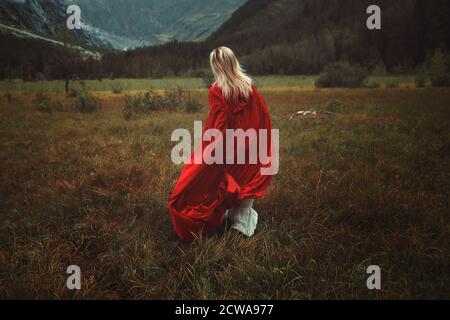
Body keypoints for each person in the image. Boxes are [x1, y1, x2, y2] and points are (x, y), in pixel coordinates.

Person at [168, 47, 273, 242]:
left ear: (216, 66)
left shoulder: (218, 90)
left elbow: (220, 122)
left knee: (220, 179)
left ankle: (228, 223)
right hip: (251, 146)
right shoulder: (249, 87)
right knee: (244, 180)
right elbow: (263, 116)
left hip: (230, 147)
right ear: (234, 62)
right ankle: (241, 226)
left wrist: (209, 148)